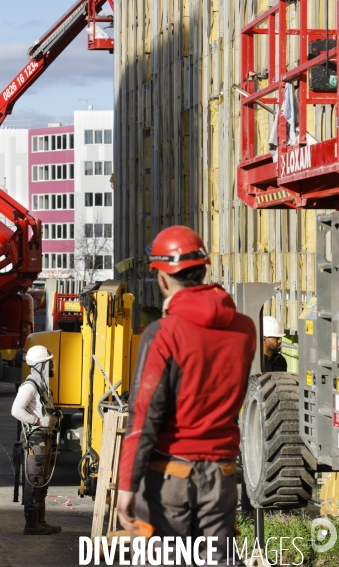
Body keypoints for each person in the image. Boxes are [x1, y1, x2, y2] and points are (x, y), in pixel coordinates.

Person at [117, 225, 256, 565]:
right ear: (204, 268)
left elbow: (144, 417)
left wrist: (126, 488)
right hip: (222, 475)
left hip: (171, 475)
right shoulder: (245, 329)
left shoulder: (163, 335)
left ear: (163, 278)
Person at [11, 345, 62, 535]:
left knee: (42, 480)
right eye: (49, 362)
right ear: (41, 365)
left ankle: (40, 520)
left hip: (44, 438)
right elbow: (16, 411)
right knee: (34, 480)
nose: (52, 365)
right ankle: (31, 524)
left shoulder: (42, 386)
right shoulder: (30, 386)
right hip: (35, 440)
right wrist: (39, 420)